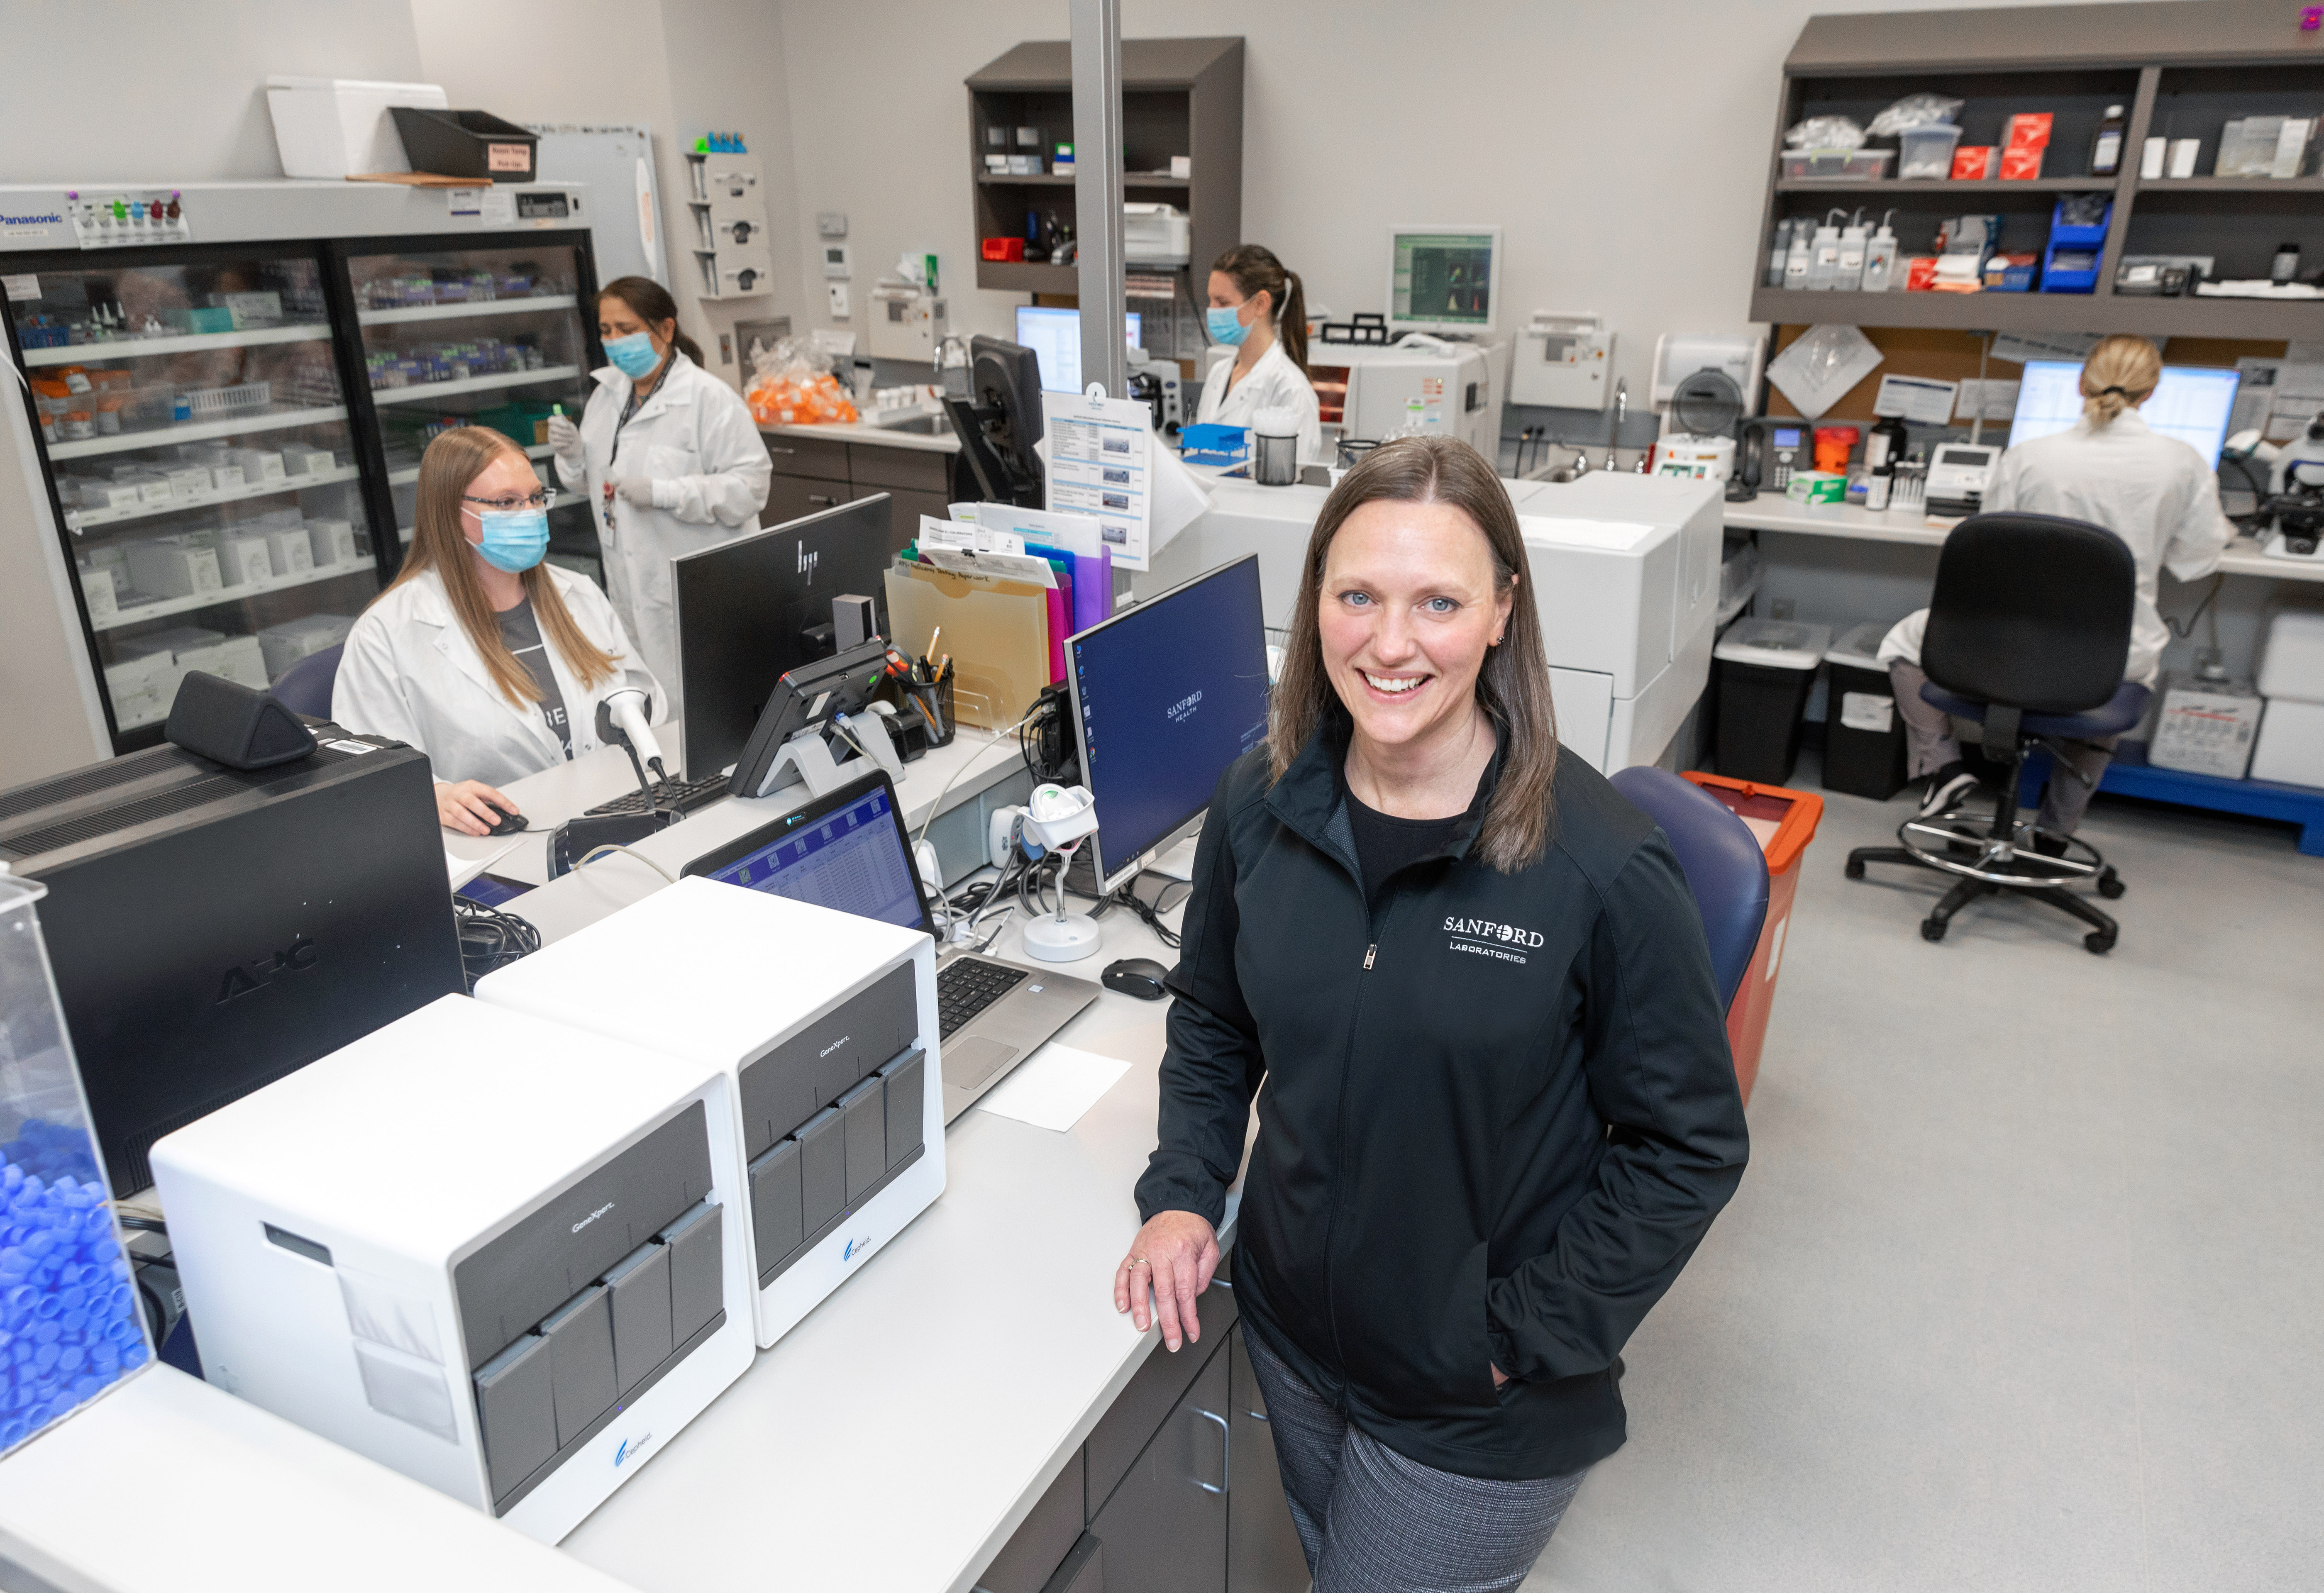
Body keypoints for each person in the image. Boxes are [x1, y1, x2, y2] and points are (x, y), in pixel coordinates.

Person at [1116, 436, 1748, 1592]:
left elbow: (1687, 1145)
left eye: (1439, 601)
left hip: (1475, 1397)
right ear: (1315, 604)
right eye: (1357, 595)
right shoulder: (1260, 801)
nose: (1390, 641)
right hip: (1295, 1330)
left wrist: (1521, 1334)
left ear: (1504, 611)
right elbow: (1212, 1015)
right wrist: (1181, 1192)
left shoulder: (1598, 864)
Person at [1881, 334, 2233, 834]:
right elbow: (2197, 560)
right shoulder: (2182, 462)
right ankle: (2055, 832)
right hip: (2108, 654)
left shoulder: (2028, 455)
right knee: (2114, 668)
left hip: (2004, 644)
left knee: (1903, 642)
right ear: (2150, 392)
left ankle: (1945, 769)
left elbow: (1991, 544)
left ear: (2080, 383)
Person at [336, 427, 662, 837]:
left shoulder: (577, 595)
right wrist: (432, 796)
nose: (529, 513)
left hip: (613, 817)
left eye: (536, 498)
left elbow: (646, 706)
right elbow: (365, 779)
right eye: (507, 502)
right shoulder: (387, 634)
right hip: (491, 849)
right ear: (450, 514)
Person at [547, 276, 770, 710]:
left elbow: (750, 487)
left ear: (665, 330)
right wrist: (574, 457)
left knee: (714, 702)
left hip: (701, 588)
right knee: (655, 704)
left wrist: (667, 492)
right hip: (632, 584)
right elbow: (591, 486)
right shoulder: (606, 397)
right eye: (606, 331)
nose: (614, 342)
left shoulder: (708, 399)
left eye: (627, 330)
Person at [1195, 244, 1324, 462]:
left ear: (1260, 304)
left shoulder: (1291, 389)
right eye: (1211, 300)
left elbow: (1293, 481)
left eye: (1223, 302)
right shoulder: (1219, 374)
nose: (1212, 311)